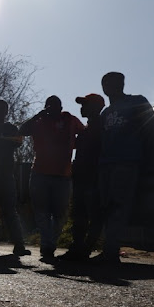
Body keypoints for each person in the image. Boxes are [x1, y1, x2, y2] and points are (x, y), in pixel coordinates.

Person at [93, 72, 154, 264]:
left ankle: (111, 251)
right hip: (106, 164)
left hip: (127, 162)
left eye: (112, 83)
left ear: (121, 84)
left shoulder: (137, 102)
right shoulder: (106, 113)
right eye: (105, 83)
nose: (108, 87)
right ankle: (109, 248)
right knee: (107, 206)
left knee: (118, 205)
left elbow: (152, 128)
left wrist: (146, 155)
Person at [19, 95, 84, 260]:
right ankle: (47, 245)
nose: (53, 109)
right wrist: (38, 115)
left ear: (61, 108)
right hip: (40, 173)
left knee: (60, 213)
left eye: (56, 106)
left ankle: (50, 242)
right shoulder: (39, 122)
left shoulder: (70, 120)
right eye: (49, 107)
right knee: (41, 212)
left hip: (63, 175)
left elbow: (84, 135)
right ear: (45, 108)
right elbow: (21, 130)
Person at [59, 94, 105, 261]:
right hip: (81, 178)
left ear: (95, 107)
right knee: (79, 215)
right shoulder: (87, 128)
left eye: (85, 105)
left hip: (92, 178)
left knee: (92, 214)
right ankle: (78, 248)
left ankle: (85, 249)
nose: (81, 108)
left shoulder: (100, 126)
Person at [0, 99, 30, 256]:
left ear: (6, 111)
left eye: (3, 109)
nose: (0, 112)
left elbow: (18, 141)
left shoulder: (11, 128)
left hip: (6, 174)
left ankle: (19, 244)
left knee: (10, 210)